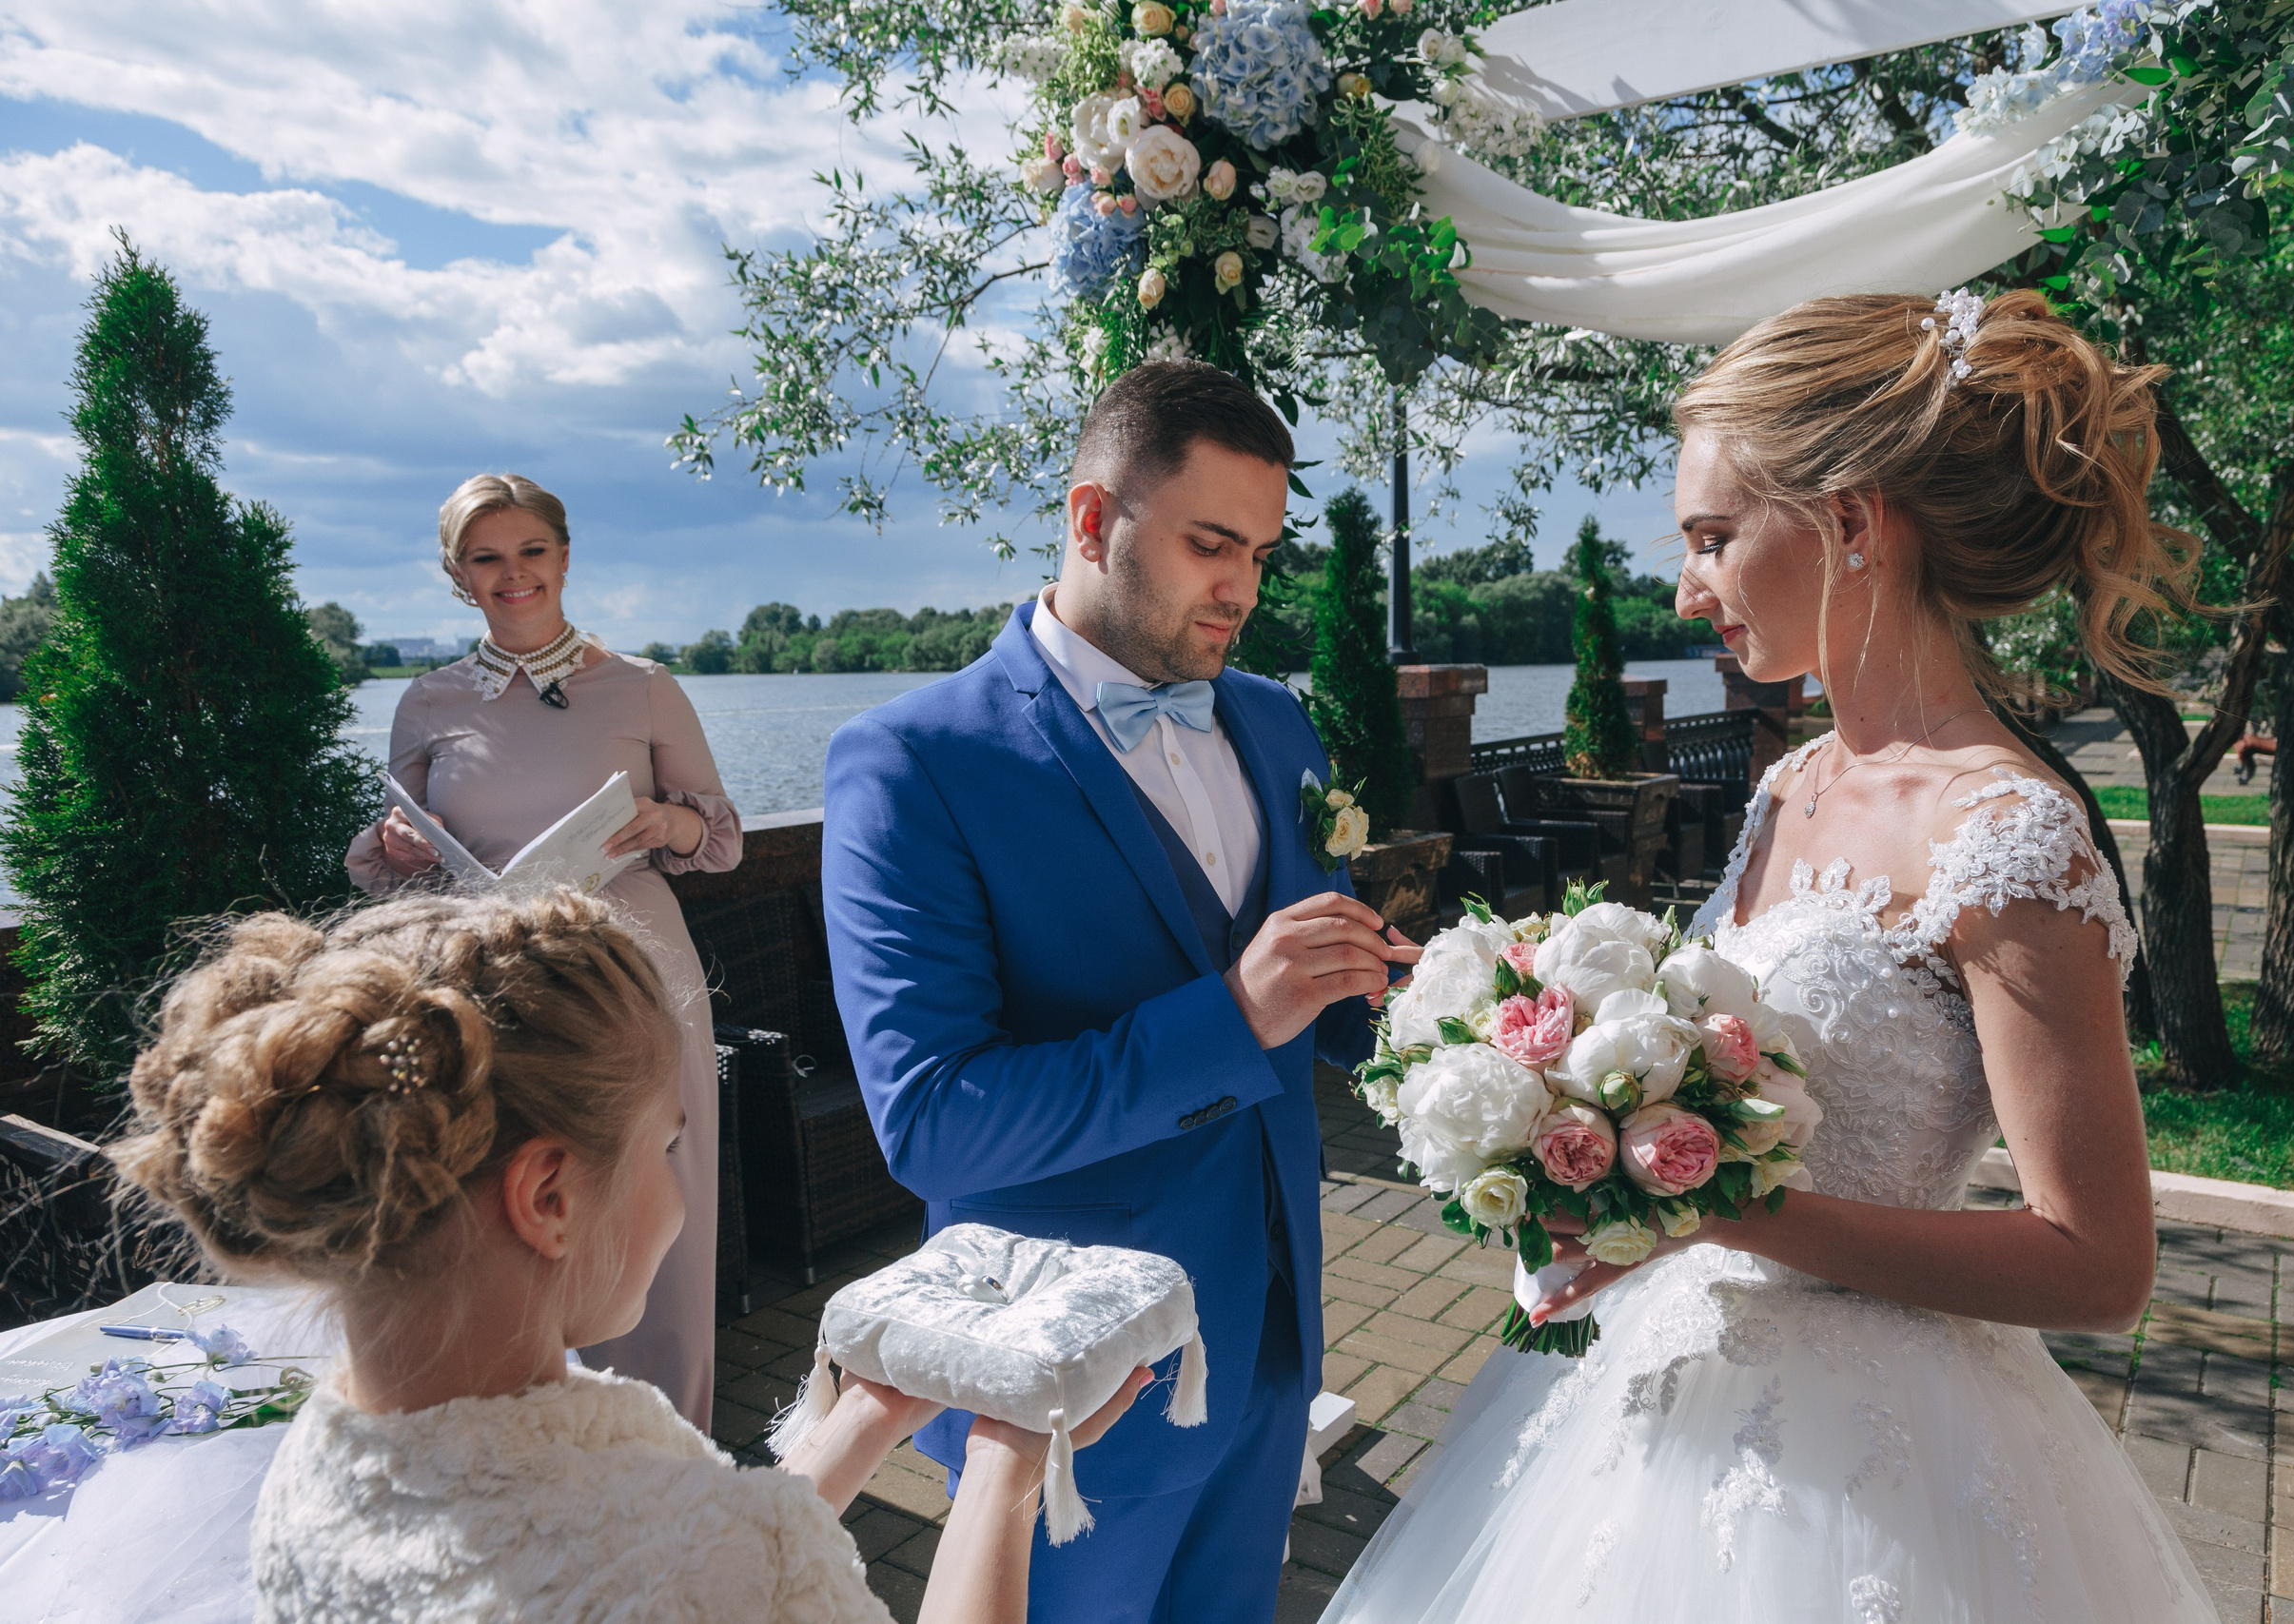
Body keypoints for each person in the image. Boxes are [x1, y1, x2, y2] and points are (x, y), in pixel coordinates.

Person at [1318, 291, 2221, 1622]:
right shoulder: (1793, 778)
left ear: (1852, 521)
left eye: (1714, 537)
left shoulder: (2008, 833)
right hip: (1657, 1383)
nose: (1687, 587)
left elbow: (2098, 1261)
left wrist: (1719, 1209)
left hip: (1866, 1464)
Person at [108, 888, 1147, 1622]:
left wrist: (867, 1417)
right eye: (669, 1143)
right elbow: (715, 1570)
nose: (683, 1186)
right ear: (550, 1198)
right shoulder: (713, 1560)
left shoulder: (319, 1459)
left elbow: (701, 1560)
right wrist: (1006, 1459)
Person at [821, 361, 1420, 1624]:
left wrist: (1438, 1004)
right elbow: (934, 1117)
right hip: (1066, 1387)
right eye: (1212, 543)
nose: (1246, 588)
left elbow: (1325, 988)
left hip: (1271, 1337)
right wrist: (1234, 1014)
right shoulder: (912, 762)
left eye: (1261, 550)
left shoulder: (1277, 723)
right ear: (1092, 520)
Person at [343, 473, 739, 1429]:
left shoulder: (643, 686)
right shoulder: (429, 703)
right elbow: (385, 861)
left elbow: (722, 841)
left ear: (564, 557)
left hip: (637, 978)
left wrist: (661, 823)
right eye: (487, 558)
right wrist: (396, 848)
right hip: (495, 992)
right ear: (456, 577)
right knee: (512, 1202)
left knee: (660, 1198)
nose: (512, 574)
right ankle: (529, 1439)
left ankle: (667, 1446)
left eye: (531, 551)